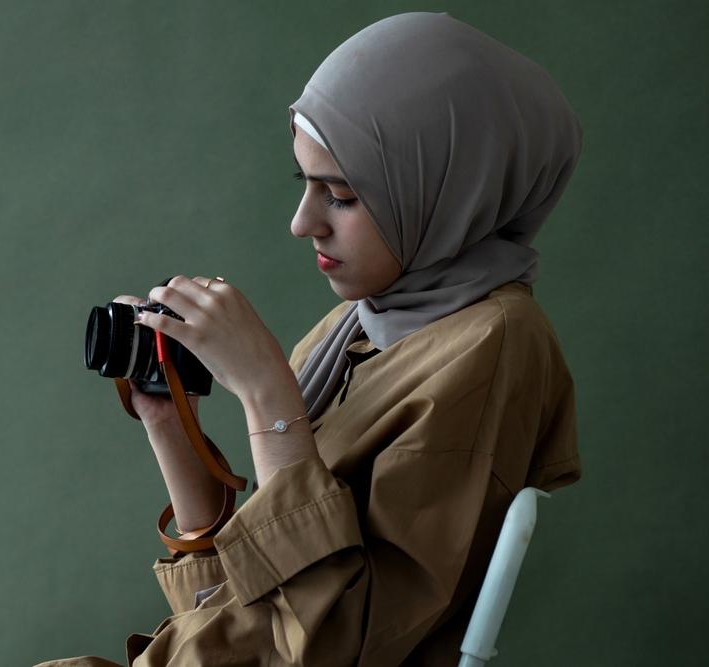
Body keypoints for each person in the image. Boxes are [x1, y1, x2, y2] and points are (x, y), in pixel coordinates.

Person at [40, 12, 582, 667]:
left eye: (343, 196)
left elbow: (331, 646)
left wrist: (268, 392)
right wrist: (170, 424)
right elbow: (227, 600)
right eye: (306, 185)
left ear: (446, 188)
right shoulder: (355, 329)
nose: (303, 223)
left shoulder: (494, 345)